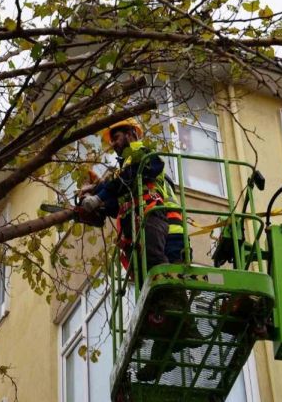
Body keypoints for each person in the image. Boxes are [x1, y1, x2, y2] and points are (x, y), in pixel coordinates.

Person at [79, 118, 203, 382]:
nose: (113, 143)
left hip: (164, 227)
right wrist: (96, 202)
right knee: (155, 294)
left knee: (162, 274)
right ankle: (163, 354)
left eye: (117, 136)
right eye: (111, 138)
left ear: (133, 134)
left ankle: (189, 328)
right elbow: (116, 199)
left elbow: (130, 177)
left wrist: (99, 193)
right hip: (149, 229)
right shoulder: (127, 175)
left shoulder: (144, 156)